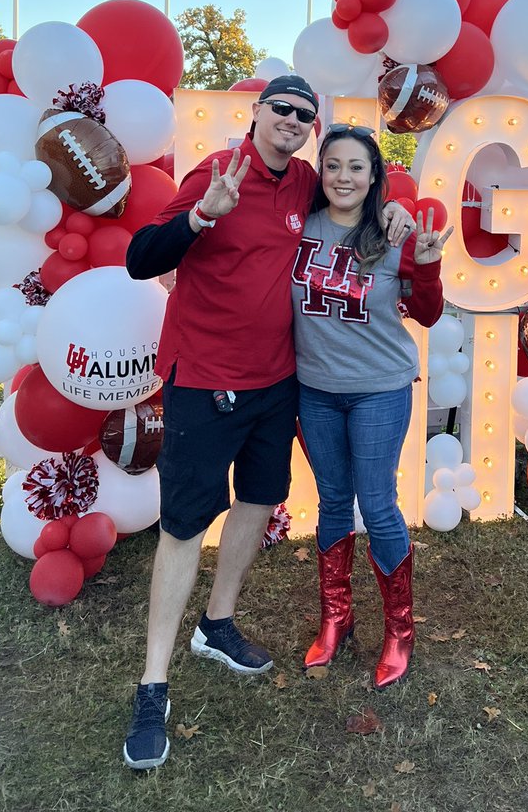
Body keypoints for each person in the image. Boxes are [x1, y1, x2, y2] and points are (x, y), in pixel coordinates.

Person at [121, 76, 413, 770]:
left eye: (303, 115)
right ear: (255, 114)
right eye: (280, 109)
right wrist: (198, 219)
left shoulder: (305, 184)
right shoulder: (216, 174)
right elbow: (141, 258)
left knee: (257, 501)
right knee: (186, 525)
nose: (292, 120)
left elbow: (359, 187)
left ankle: (217, 625)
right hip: (203, 380)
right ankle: (152, 686)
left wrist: (396, 212)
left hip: (279, 382)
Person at [293, 124, 452, 689]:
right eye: (333, 165)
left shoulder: (393, 233)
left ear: (373, 176)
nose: (343, 177)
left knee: (378, 505)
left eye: (356, 167)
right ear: (321, 172)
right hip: (313, 389)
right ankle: (336, 617)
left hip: (379, 388)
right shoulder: (299, 227)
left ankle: (399, 630)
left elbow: (428, 314)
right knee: (333, 502)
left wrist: (427, 264)